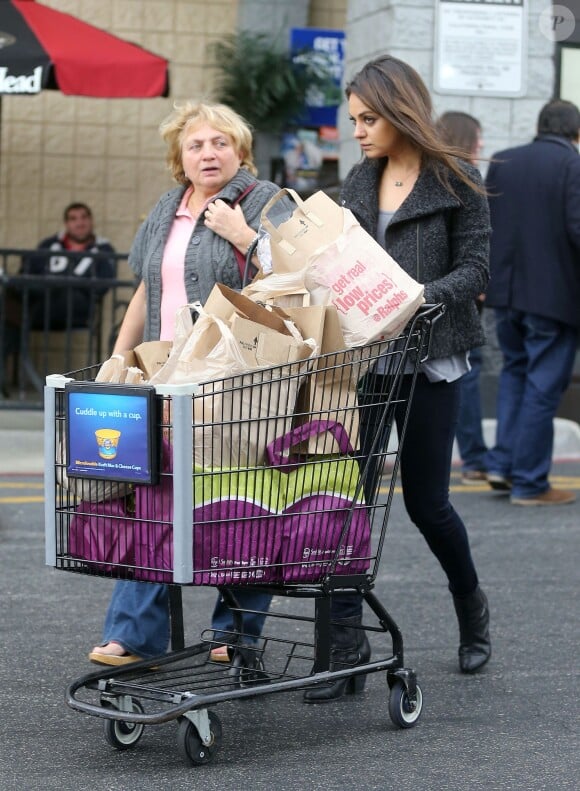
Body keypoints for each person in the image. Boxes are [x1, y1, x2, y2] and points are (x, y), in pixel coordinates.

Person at [303, 55, 492, 703]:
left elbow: (474, 269)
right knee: (344, 501)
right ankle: (347, 650)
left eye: (368, 118)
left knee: (425, 503)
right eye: (353, 119)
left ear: (399, 109)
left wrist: (417, 298)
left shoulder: (457, 178)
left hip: (429, 359)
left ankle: (470, 606)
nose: (357, 130)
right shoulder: (359, 178)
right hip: (362, 363)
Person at [89, 101, 280, 666]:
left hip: (237, 379)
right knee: (154, 496)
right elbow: (148, 289)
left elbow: (298, 285)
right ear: (180, 158)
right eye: (196, 145)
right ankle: (133, 634)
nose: (208, 153)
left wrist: (243, 236)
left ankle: (235, 633)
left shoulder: (263, 201)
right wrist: (118, 362)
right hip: (163, 374)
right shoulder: (166, 208)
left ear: (240, 151)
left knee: (240, 500)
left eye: (220, 142)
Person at [483, 100, 580, 506]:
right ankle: (529, 482)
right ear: (574, 133)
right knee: (542, 387)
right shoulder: (572, 165)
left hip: (504, 296)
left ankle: (503, 466)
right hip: (553, 299)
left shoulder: (503, 160)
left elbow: (485, 224)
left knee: (515, 376)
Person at [437, 111, 489, 484]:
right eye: (478, 139)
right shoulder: (463, 180)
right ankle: (473, 458)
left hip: (443, 297)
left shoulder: (443, 179)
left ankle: (472, 457)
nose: (482, 146)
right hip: (457, 303)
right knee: (465, 378)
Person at [22, 202, 116, 330]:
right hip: (42, 302)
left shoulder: (104, 249)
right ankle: (10, 346)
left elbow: (102, 286)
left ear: (91, 221)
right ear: (66, 224)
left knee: (20, 313)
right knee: (7, 300)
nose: (80, 223)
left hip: (78, 308)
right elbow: (28, 272)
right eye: (73, 219)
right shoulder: (49, 244)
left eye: (84, 217)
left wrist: (68, 282)